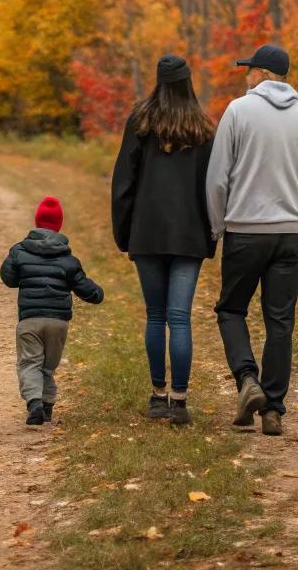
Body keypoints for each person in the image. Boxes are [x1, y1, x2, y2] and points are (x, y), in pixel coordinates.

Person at [206, 43, 298, 438]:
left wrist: (216, 227)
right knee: (280, 323)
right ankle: (273, 409)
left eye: (248, 69)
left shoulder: (238, 112)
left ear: (260, 73)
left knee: (231, 310)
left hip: (245, 231)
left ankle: (247, 380)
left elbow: (218, 177)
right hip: (290, 234)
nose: (245, 76)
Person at [110, 54, 216, 426]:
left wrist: (124, 234)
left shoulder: (141, 122)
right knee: (180, 317)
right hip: (189, 234)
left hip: (148, 231)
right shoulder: (203, 128)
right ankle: (180, 400)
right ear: (188, 83)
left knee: (156, 316)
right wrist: (212, 232)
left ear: (158, 81)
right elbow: (213, 187)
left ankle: (158, 396)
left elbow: (124, 182)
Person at [0, 194, 104, 426]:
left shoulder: (19, 251)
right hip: (58, 322)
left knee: (29, 363)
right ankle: (46, 405)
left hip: (30, 319)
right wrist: (98, 294)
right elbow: (86, 289)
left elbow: (8, 278)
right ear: (59, 226)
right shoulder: (68, 259)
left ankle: (35, 403)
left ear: (37, 222)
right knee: (47, 366)